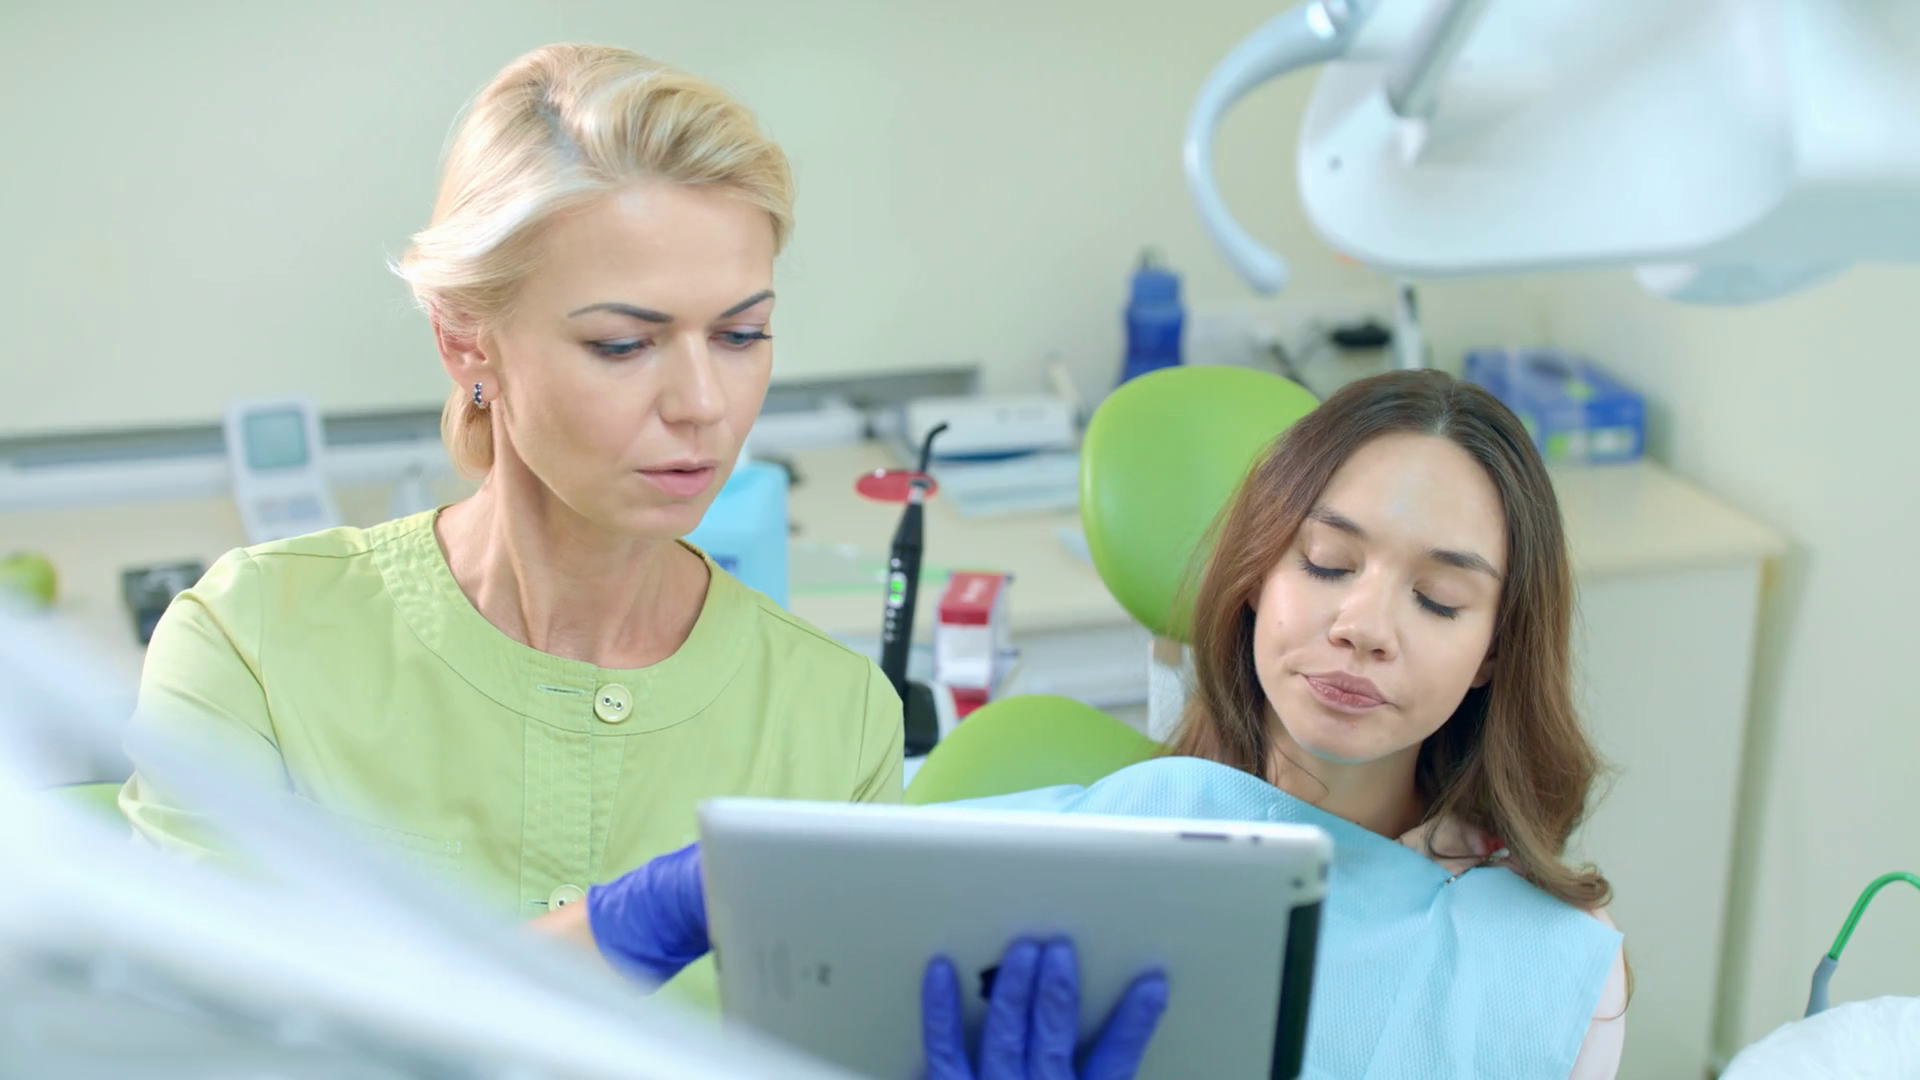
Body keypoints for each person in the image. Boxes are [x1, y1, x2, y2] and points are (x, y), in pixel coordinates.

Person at [117, 42, 1158, 1078]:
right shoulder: (254, 645)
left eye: (742, 335)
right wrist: (610, 937)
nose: (702, 404)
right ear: (465, 340)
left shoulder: (830, 717)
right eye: (625, 344)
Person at [588, 369, 1628, 1078]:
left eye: (1440, 599)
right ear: (1259, 574)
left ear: (1495, 649)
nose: (1364, 627)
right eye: (1327, 562)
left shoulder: (1546, 971)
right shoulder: (1109, 834)